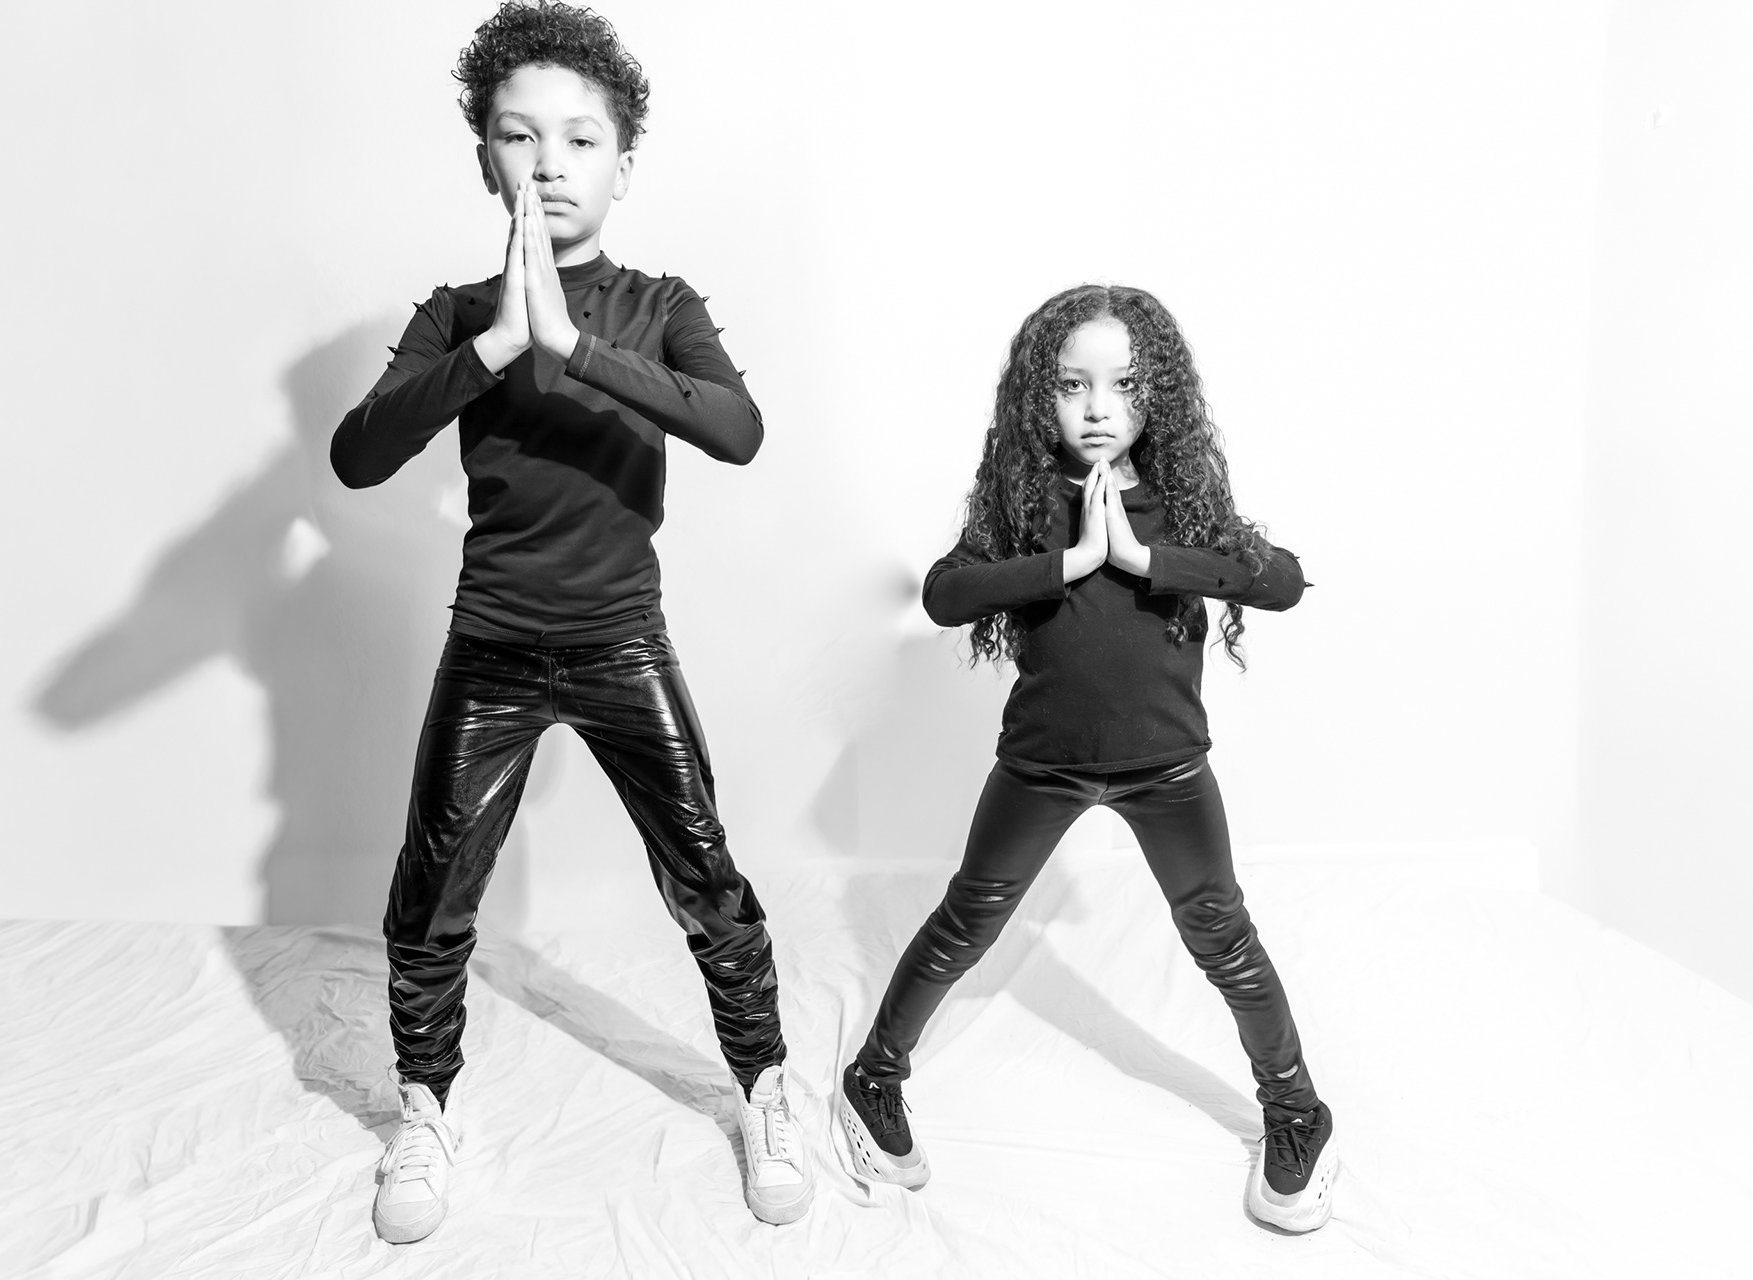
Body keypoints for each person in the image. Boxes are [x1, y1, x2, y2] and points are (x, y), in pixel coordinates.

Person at [329, 1, 810, 1243]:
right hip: (490, 646)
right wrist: (499, 343)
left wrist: (572, 344)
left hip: (620, 642)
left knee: (704, 876)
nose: (549, 164)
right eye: (518, 135)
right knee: (431, 892)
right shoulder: (454, 315)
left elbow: (737, 430)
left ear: (623, 165)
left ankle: (765, 1085)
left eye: (580, 139)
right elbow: (358, 456)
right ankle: (425, 1107)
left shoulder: (659, 304)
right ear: (484, 158)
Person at [835, 284, 1337, 1233]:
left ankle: (1298, 1111)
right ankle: (873, 1078)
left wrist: (1145, 560)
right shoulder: (1026, 502)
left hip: (1168, 769)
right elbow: (945, 594)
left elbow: (1280, 581)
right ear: (1042, 396)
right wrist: (1069, 563)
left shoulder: (1182, 501)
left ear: (1160, 395)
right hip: (1043, 765)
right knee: (967, 921)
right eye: (1073, 385)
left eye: (1124, 385)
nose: (1098, 407)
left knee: (1223, 937)